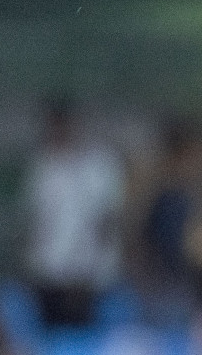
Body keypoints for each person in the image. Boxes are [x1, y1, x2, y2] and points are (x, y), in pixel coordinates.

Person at [24, 97, 126, 328]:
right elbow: (38, 222)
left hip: (89, 278)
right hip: (50, 273)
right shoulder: (44, 166)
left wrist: (96, 268)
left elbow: (107, 221)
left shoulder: (100, 165)